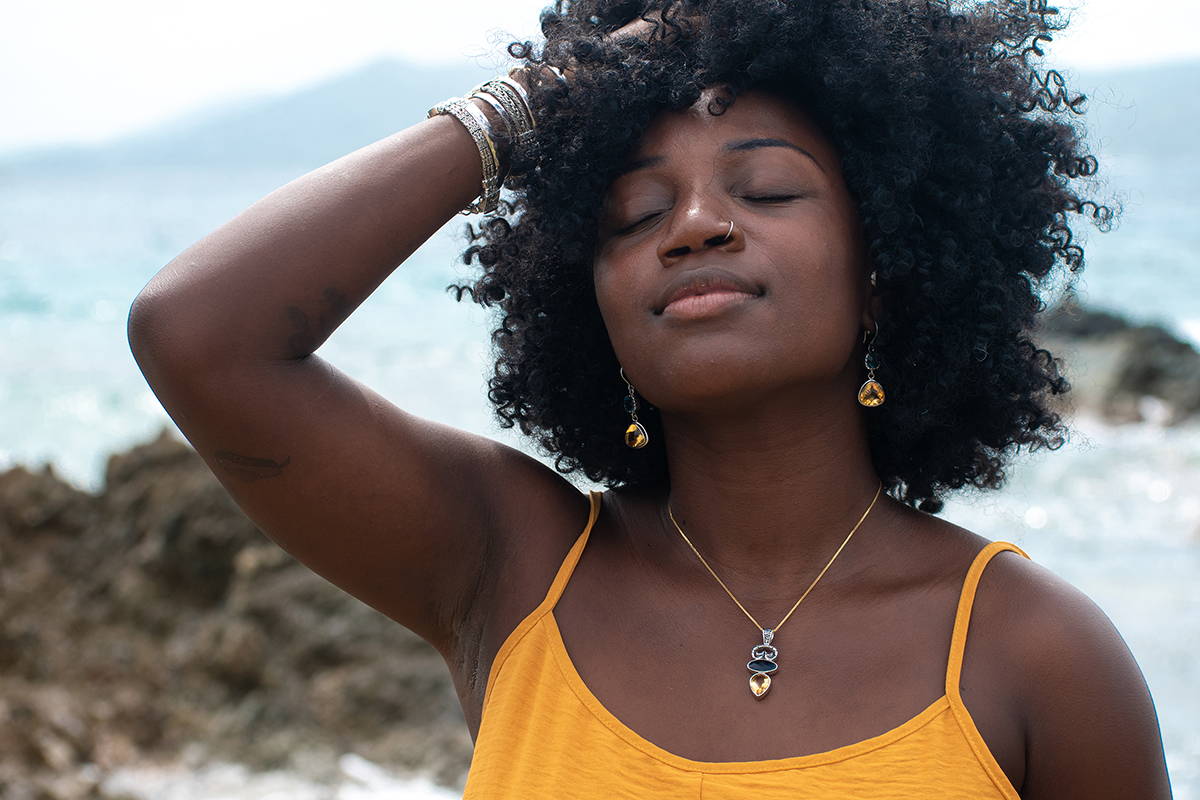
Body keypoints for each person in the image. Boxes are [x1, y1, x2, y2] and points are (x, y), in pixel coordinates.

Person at [126, 0, 1173, 797]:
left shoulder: (1038, 657)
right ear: (590, 305)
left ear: (886, 267)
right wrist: (540, 98)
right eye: (633, 210)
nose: (695, 224)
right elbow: (199, 335)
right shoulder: (514, 567)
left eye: (764, 190)